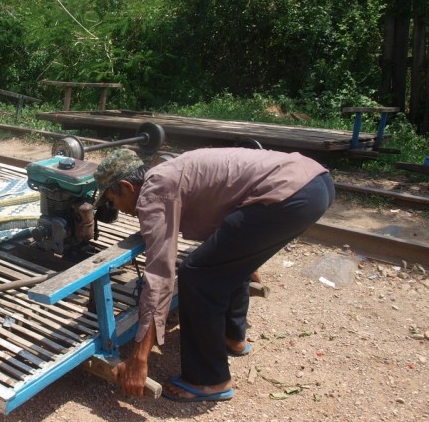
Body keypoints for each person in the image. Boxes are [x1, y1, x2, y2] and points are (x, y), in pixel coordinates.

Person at [93, 147, 335, 402]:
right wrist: (247, 259)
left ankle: (210, 379)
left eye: (112, 200)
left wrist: (139, 358)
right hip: (315, 183)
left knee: (198, 276)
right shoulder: (170, 171)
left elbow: (160, 276)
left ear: (127, 186)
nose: (117, 208)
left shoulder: (155, 190)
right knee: (221, 263)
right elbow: (230, 210)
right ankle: (232, 338)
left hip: (291, 195)